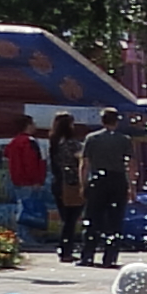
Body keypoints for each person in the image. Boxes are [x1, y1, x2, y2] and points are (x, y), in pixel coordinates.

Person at [79, 110, 133, 268]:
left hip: (98, 180)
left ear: (102, 121)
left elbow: (84, 164)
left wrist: (83, 184)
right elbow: (130, 164)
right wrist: (132, 185)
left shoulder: (92, 138)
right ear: (117, 121)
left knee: (92, 218)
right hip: (117, 180)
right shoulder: (124, 140)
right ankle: (110, 257)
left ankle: (87, 255)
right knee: (114, 219)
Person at [45, 112, 85, 262]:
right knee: (71, 219)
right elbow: (81, 160)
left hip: (58, 183)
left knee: (65, 219)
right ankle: (66, 249)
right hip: (72, 184)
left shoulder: (54, 143)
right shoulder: (72, 144)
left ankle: (64, 248)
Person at [2, 123, 51, 242]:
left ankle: (22, 235)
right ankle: (25, 236)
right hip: (29, 180)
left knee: (23, 206)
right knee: (29, 209)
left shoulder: (14, 142)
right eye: (33, 124)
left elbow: (6, 156)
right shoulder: (30, 142)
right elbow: (31, 163)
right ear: (27, 126)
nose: (35, 126)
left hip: (17, 179)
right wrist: (37, 180)